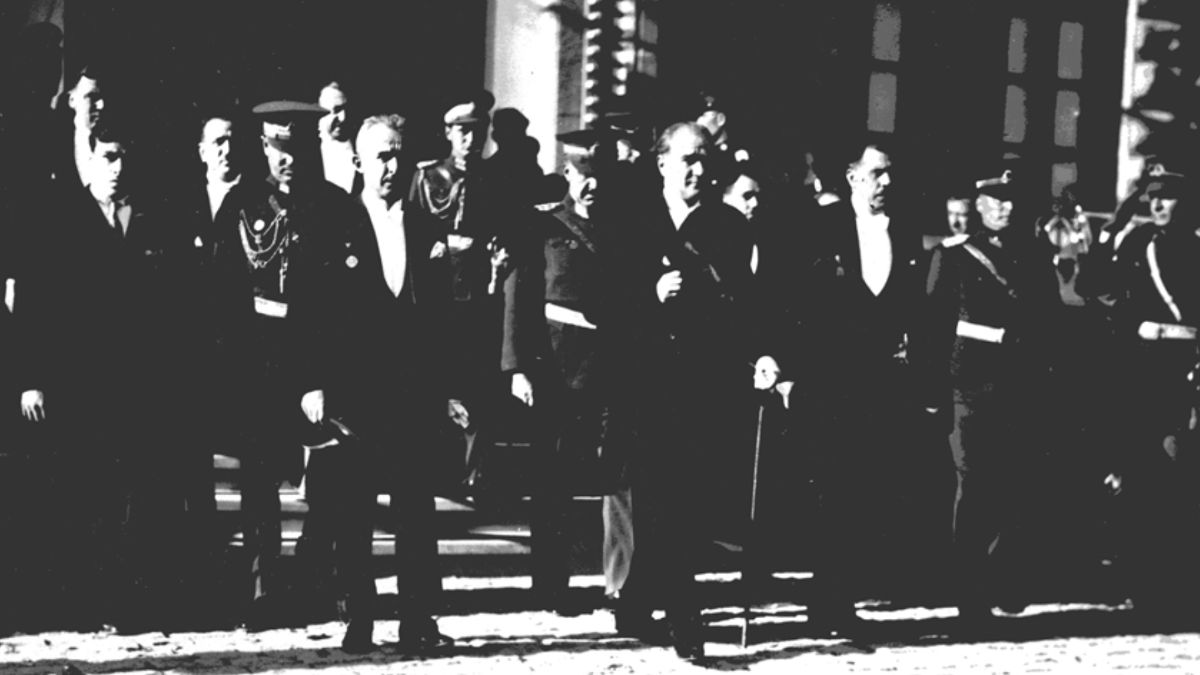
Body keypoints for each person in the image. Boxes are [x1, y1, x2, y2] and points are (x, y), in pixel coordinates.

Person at [764, 140, 953, 635]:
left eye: (890, 173)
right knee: (828, 489)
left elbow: (916, 311)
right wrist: (782, 367)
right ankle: (825, 600)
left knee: (866, 489)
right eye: (877, 173)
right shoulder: (817, 227)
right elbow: (785, 299)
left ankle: (840, 598)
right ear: (852, 177)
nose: (886, 182)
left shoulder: (905, 233)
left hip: (882, 383)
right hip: (825, 380)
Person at [18, 117, 192, 632]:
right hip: (80, 385)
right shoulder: (59, 218)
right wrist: (31, 377)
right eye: (109, 156)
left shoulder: (152, 218)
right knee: (86, 493)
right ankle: (85, 604)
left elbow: (173, 303)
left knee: (135, 496)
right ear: (90, 159)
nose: (118, 167)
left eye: (124, 158)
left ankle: (128, 604)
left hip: (140, 386)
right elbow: (34, 303)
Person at [295, 114, 455, 653]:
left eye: (399, 154)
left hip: (413, 393)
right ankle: (358, 616)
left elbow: (442, 319)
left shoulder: (426, 226)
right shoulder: (331, 222)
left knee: (415, 510)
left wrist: (448, 389)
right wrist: (312, 381)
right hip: (354, 394)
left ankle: (417, 619)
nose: (392, 165)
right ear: (360, 161)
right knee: (354, 511)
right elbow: (309, 308)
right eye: (382, 155)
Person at [204, 99, 354, 629]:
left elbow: (348, 302)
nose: (288, 159)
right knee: (259, 480)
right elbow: (220, 291)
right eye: (278, 148)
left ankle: (317, 575)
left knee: (332, 474)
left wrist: (324, 376)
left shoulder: (335, 207)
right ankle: (262, 587)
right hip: (257, 362)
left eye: (298, 148)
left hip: (319, 362)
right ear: (264, 146)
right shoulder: (241, 204)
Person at [608, 121, 752, 661]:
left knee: (686, 499)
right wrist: (650, 293)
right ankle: (657, 603)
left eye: (705, 158)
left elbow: (743, 300)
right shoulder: (630, 220)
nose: (699, 169)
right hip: (643, 382)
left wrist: (761, 354)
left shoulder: (728, 225)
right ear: (662, 162)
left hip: (701, 383)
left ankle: (670, 608)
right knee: (650, 497)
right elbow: (604, 298)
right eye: (689, 158)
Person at [921, 166, 1059, 627]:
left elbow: (1049, 323)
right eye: (996, 199)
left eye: (1012, 199)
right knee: (974, 486)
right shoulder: (954, 256)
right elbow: (932, 327)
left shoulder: (1035, 257)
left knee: (1015, 483)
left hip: (1021, 386)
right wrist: (932, 390)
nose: (1005, 207)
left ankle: (1002, 578)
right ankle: (970, 592)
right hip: (969, 385)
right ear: (978, 205)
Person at [501, 128, 621, 613]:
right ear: (568, 173)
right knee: (553, 480)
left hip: (608, 363)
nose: (592, 186)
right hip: (556, 366)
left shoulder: (623, 228)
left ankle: (620, 584)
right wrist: (517, 367)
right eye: (583, 175)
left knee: (612, 477)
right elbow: (518, 298)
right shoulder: (543, 227)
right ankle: (551, 585)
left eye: (601, 176)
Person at [1086, 166, 1200, 625]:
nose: (1157, 205)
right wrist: (1114, 224)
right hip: (1140, 373)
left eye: (1166, 197)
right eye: (1151, 197)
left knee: (1179, 476)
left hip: (1185, 372)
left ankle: (1177, 587)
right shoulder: (1137, 242)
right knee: (1140, 477)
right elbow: (1093, 286)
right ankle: (1144, 589)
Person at [408, 90, 516, 497]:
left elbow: (505, 234)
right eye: (463, 132)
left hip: (480, 297)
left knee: (477, 384)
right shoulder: (428, 177)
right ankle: (439, 468)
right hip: (438, 297)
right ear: (448, 133)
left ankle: (473, 473)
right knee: (440, 381)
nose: (471, 140)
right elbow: (413, 231)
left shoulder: (496, 181)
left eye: (478, 131)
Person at [318, 81, 361, 195]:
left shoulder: (361, 148)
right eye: (336, 110)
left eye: (346, 109)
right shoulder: (309, 154)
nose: (343, 118)